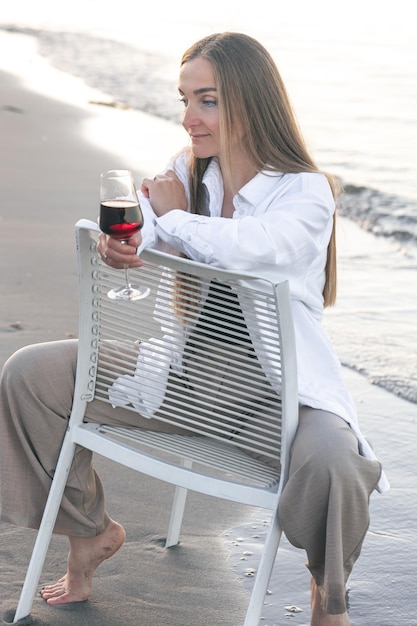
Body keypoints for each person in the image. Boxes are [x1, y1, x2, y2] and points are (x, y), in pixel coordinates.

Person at [0, 32, 387, 626]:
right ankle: (90, 534)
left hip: (274, 395)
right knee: (31, 376)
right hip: (178, 378)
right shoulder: (189, 171)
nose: (187, 118)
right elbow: (147, 227)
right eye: (184, 100)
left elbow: (257, 249)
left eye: (205, 100)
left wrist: (172, 217)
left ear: (250, 101)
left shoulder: (306, 191)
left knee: (336, 461)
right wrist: (123, 247)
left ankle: (326, 599)